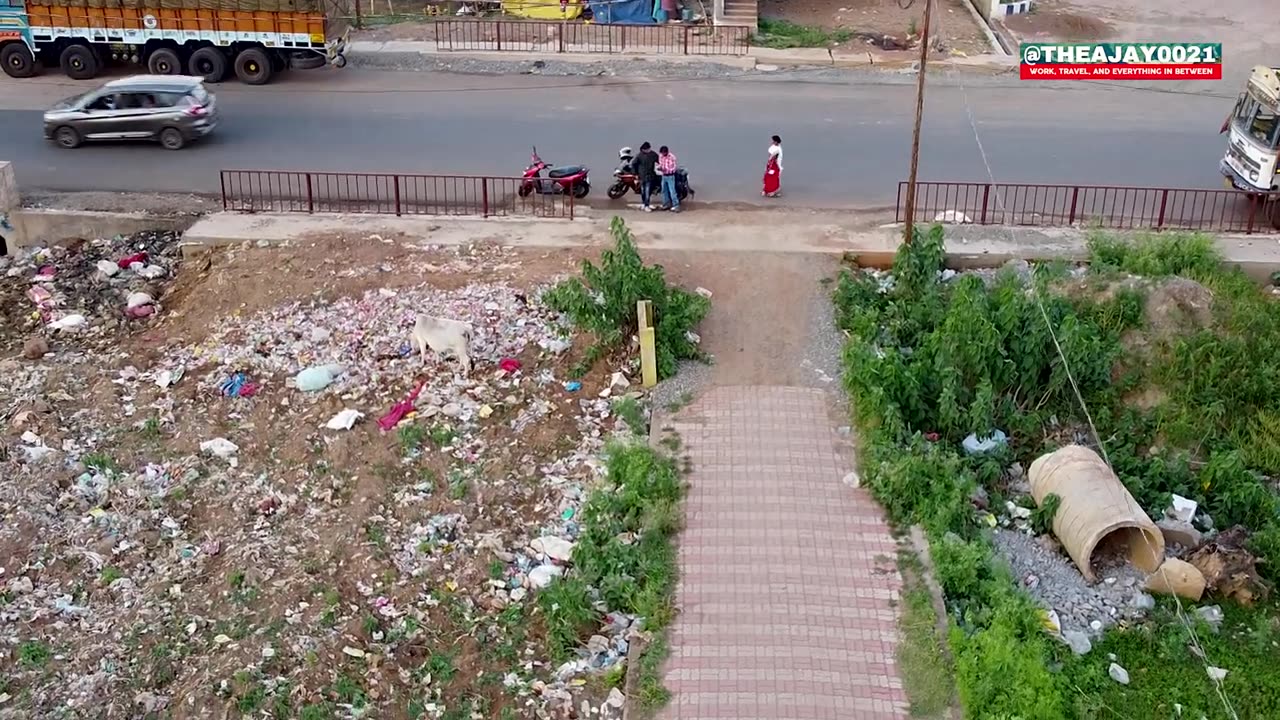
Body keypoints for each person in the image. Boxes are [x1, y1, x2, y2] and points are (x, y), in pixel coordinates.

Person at [635, 142, 659, 212]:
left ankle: (647, 205)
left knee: (647, 191)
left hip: (650, 176)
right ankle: (644, 203)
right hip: (642, 176)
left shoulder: (653, 155)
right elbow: (634, 164)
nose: (646, 150)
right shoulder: (639, 155)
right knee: (643, 191)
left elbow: (659, 161)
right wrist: (636, 174)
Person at [658, 145, 680, 212]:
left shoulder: (672, 157)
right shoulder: (661, 156)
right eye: (662, 153)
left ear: (666, 152)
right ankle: (666, 204)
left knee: (672, 191)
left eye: (664, 153)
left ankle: (676, 205)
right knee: (664, 191)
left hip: (670, 176)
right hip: (664, 175)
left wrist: (664, 169)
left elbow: (673, 168)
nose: (663, 154)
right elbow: (661, 164)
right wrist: (660, 168)